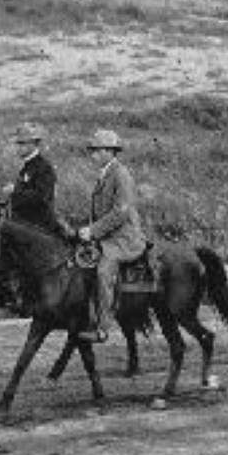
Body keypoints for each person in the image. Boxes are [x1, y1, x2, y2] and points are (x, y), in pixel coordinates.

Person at [77, 130, 146, 343]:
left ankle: (103, 328)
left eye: (96, 151)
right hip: (107, 236)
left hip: (124, 238)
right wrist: (88, 230)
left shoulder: (120, 174)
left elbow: (121, 212)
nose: (93, 155)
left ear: (109, 151)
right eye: (92, 151)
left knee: (103, 271)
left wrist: (93, 231)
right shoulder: (105, 174)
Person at [4, 122, 58, 232]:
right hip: (25, 226)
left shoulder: (44, 168)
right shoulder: (28, 166)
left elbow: (41, 197)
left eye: (22, 143)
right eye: (17, 143)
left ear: (34, 144)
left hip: (39, 228)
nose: (18, 147)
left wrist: (15, 191)